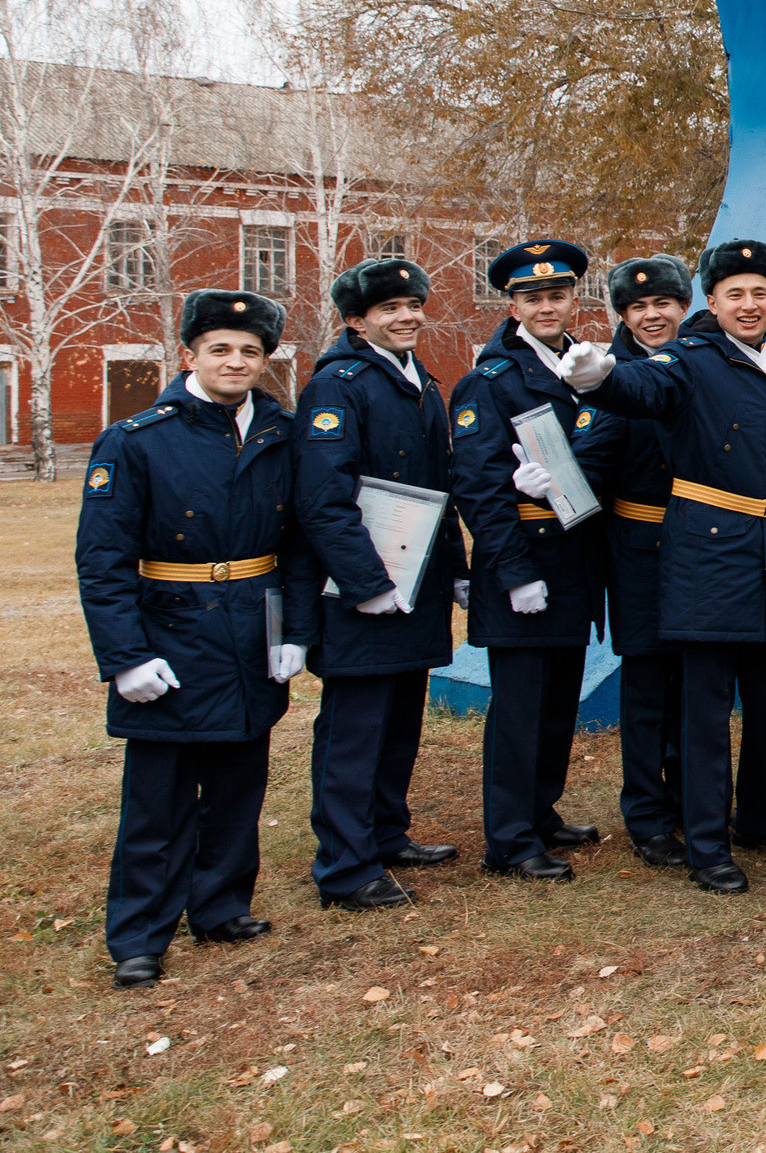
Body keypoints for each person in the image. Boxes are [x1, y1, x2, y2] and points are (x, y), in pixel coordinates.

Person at [562, 238, 766, 893]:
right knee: (705, 712)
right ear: (711, 303)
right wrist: (600, 377)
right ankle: (707, 844)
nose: (748, 304)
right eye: (734, 293)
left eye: (760, 293)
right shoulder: (688, 358)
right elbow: (642, 386)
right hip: (709, 556)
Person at [77, 291, 313, 988]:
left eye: (249, 351)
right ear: (189, 355)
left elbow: (298, 544)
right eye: (220, 349)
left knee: (241, 779)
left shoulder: (279, 430)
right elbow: (103, 560)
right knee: (160, 796)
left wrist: (296, 631)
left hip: (251, 628)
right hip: (171, 632)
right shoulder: (137, 438)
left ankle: (219, 905)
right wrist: (125, 656)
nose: (236, 361)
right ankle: (140, 933)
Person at [290, 257, 466, 913]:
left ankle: (386, 833)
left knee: (399, 723)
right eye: (389, 308)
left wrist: (457, 571)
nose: (406, 316)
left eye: (413, 303)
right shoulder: (338, 385)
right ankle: (344, 865)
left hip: (413, 582)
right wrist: (364, 582)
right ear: (357, 321)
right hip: (364, 591)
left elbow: (436, 489)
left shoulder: (419, 381)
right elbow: (322, 500)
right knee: (354, 731)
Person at [447, 241, 609, 884]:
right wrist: (514, 572)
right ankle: (509, 839)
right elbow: (480, 486)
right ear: (512, 304)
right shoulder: (490, 379)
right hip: (526, 563)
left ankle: (540, 812)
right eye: (533, 297)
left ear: (574, 299)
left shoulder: (584, 366)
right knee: (520, 708)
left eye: (558, 295)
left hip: (574, 559)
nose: (547, 306)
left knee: (558, 700)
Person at [569, 254, 693, 869]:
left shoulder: (702, 358)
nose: (652, 316)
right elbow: (590, 463)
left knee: (697, 686)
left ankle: (694, 802)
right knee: (647, 689)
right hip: (642, 553)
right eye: (639, 307)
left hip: (705, 552)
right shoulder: (610, 377)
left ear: (683, 307)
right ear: (624, 314)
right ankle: (647, 815)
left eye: (663, 304)